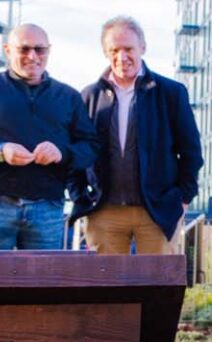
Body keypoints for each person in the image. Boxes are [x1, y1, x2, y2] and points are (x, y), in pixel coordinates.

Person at [0, 23, 98, 251]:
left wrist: (61, 153)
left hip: (47, 207)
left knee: (42, 284)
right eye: (24, 49)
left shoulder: (68, 96)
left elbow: (90, 148)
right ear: (8, 50)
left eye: (40, 49)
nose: (32, 56)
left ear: (48, 51)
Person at [70, 16, 204, 254]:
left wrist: (182, 199)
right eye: (114, 50)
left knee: (156, 288)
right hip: (104, 212)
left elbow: (191, 151)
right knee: (105, 288)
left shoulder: (171, 93)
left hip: (158, 211)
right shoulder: (89, 96)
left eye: (128, 49)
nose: (122, 57)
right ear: (105, 52)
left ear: (143, 47)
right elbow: (75, 154)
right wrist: (80, 197)